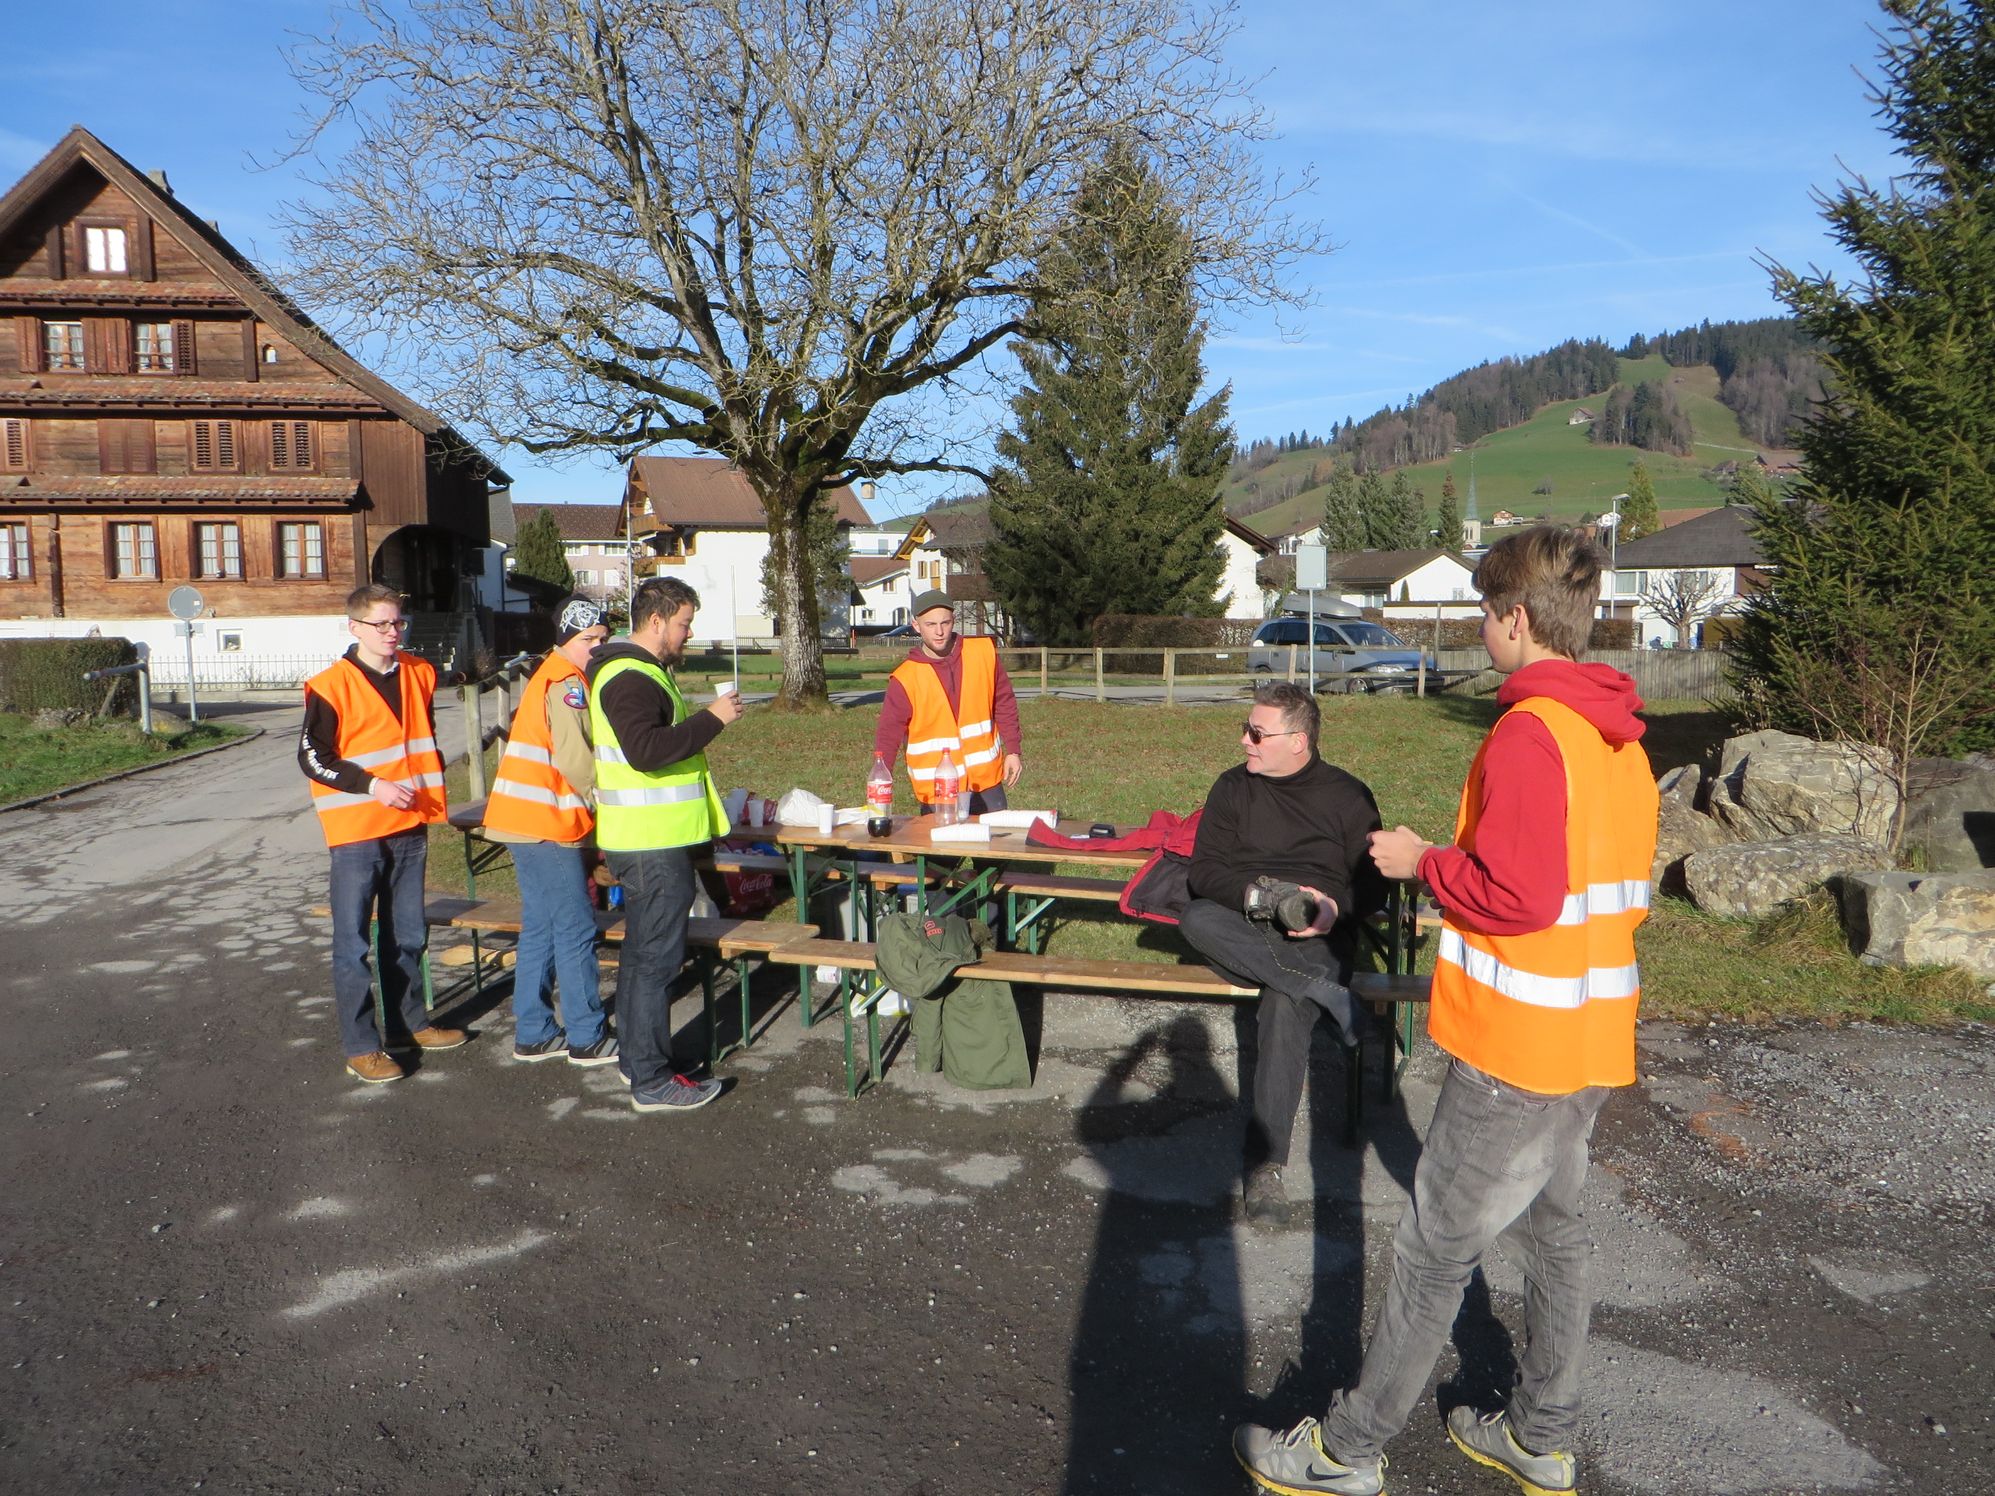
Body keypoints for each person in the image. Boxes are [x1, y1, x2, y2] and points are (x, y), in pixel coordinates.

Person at [1232, 526, 1660, 1496]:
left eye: (1484, 612)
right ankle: (1540, 1434)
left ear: (1515, 617)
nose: (1480, 628)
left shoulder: (1530, 733)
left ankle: (1346, 1450)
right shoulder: (1616, 738)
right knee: (1555, 1232)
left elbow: (1521, 895)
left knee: (1434, 1249)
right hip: (1589, 1036)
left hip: (1515, 1049)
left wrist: (1421, 860)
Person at [1176, 681, 1385, 1227]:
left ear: (1298, 741)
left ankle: (1265, 1165)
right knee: (1196, 917)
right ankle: (1325, 994)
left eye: (1256, 733)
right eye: (1246, 730)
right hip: (1243, 926)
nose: (1244, 741)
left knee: (1282, 1004)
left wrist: (1334, 909)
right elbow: (1204, 873)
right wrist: (1258, 897)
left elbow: (1374, 885)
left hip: (1318, 931)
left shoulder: (1348, 796)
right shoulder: (1233, 787)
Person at [586, 576, 742, 1113]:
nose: (688, 633)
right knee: (655, 961)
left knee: (642, 957)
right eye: (683, 623)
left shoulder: (637, 671)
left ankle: (640, 1060)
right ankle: (652, 1079)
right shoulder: (629, 676)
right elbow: (646, 751)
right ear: (656, 621)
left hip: (649, 839)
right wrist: (713, 719)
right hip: (650, 844)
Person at [299, 584, 464, 1083]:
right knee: (353, 946)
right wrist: (372, 785)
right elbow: (312, 757)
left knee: (408, 936)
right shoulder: (330, 685)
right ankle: (361, 1047)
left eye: (398, 622)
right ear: (354, 627)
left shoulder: (420, 673)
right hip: (357, 831)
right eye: (382, 624)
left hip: (410, 824)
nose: (393, 632)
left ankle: (408, 1026)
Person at [481, 595, 619, 1067]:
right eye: (588, 640)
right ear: (565, 640)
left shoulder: (550, 674)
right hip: (547, 823)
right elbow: (576, 758)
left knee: (541, 926)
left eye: (603, 639)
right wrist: (609, 801)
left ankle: (534, 1031)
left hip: (521, 820)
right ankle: (587, 1036)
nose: (597, 648)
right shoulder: (567, 681)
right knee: (576, 926)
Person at [873, 589, 1022, 815]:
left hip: (986, 783)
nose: (939, 631)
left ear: (954, 620)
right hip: (938, 789)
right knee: (942, 841)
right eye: (930, 624)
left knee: (995, 839)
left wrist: (1013, 751)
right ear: (916, 626)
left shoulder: (983, 653)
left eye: (945, 622)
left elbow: (1004, 702)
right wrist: (881, 781)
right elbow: (888, 733)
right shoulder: (905, 678)